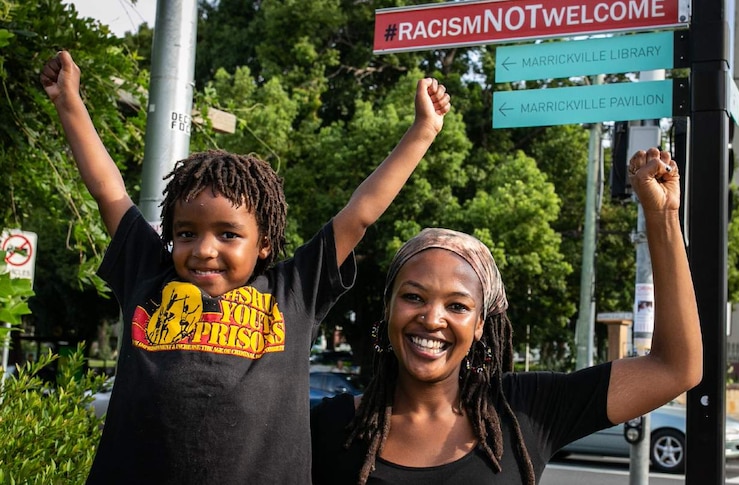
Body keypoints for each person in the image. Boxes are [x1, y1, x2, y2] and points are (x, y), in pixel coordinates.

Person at [41, 50, 450, 484]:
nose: (203, 249)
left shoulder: (294, 292)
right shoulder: (148, 277)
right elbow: (109, 192)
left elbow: (361, 213)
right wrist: (69, 101)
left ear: (265, 244)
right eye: (186, 233)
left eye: (228, 234)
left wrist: (423, 130)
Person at [310, 148, 702, 484]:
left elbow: (675, 368)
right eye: (414, 297)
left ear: (480, 324)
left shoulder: (526, 409)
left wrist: (663, 216)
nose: (432, 319)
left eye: (457, 306)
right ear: (389, 308)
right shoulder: (330, 425)